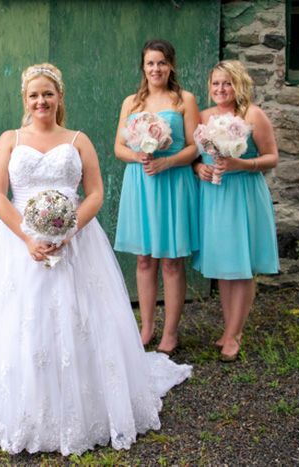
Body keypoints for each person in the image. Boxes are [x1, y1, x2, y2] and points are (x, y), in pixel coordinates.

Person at [0, 63, 192, 455]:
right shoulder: (9, 139)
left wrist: (69, 229)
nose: (41, 101)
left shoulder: (78, 140)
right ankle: (22, 408)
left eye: (48, 93)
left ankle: (89, 405)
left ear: (60, 97)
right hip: (19, 243)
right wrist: (28, 237)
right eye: (34, 95)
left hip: (76, 242)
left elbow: (95, 192)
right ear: (25, 100)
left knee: (81, 318)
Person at [113, 39, 201, 354]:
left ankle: (171, 332)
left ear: (171, 65)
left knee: (172, 261)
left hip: (173, 181)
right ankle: (147, 326)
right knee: (143, 258)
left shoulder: (184, 100)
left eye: (162, 63)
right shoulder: (132, 103)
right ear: (143, 67)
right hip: (141, 182)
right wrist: (140, 158)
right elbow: (119, 147)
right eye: (150, 63)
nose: (156, 69)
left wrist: (168, 161)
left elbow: (194, 146)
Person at [192, 60, 279, 362]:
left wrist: (240, 164)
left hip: (243, 193)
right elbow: (195, 156)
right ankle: (229, 328)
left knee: (241, 265)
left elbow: (272, 157)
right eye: (215, 83)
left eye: (226, 83)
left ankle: (235, 334)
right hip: (214, 196)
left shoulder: (253, 115)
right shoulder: (203, 117)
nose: (220, 89)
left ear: (239, 84)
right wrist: (199, 167)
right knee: (225, 266)